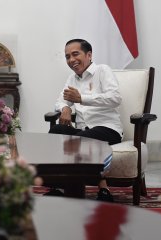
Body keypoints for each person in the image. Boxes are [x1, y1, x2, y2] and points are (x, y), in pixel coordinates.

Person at [49, 39, 123, 202]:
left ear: (89, 55)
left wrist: (82, 98)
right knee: (56, 131)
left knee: (83, 140)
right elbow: (60, 101)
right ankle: (58, 186)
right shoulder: (72, 79)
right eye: (67, 56)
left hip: (107, 128)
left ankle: (103, 189)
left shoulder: (103, 71)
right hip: (83, 131)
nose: (71, 60)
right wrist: (66, 108)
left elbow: (115, 98)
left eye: (75, 54)